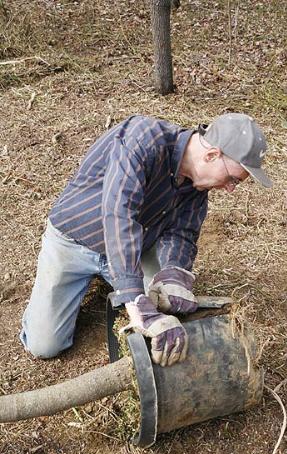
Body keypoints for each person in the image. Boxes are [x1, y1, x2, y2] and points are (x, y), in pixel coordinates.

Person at [20, 113, 272, 367]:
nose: (230, 189)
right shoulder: (143, 139)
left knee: (168, 307)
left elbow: (182, 232)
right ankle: (107, 283)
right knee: (45, 346)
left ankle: (121, 278)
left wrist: (174, 272)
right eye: (232, 179)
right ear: (211, 155)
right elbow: (119, 214)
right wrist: (134, 297)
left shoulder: (198, 186)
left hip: (136, 247)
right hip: (74, 242)